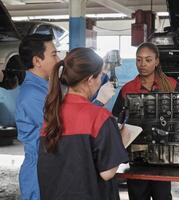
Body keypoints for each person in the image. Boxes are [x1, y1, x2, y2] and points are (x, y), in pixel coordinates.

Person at [37, 47, 129, 200]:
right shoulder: (100, 117)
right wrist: (122, 140)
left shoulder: (51, 116)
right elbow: (107, 173)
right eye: (100, 76)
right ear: (90, 79)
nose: (100, 81)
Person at [112, 42, 178, 200]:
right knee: (137, 195)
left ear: (157, 61)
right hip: (137, 154)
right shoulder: (128, 88)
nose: (143, 64)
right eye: (139, 60)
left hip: (163, 154)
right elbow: (116, 119)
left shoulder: (171, 85)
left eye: (148, 60)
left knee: (162, 195)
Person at [15, 33, 60, 200]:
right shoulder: (32, 94)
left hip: (49, 162)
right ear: (37, 61)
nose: (58, 59)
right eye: (54, 55)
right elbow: (59, 125)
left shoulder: (46, 88)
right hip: (38, 169)